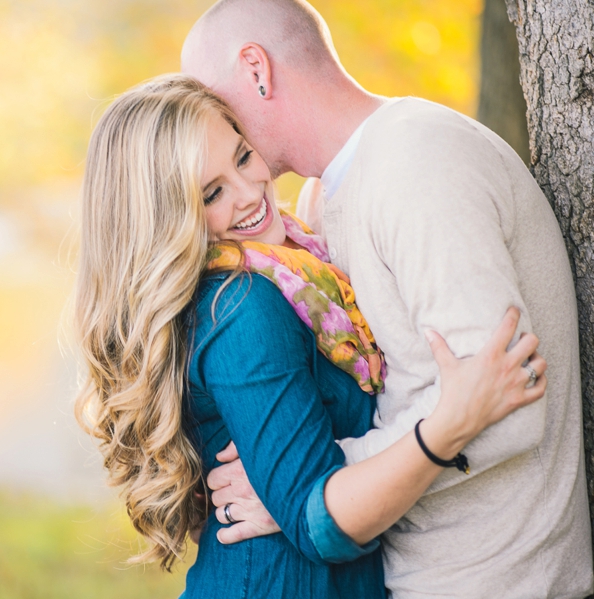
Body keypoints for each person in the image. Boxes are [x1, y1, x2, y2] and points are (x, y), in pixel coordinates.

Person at [73, 74, 547, 598]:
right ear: (168, 220)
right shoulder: (243, 306)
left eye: (244, 157)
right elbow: (317, 527)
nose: (251, 192)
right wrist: (449, 426)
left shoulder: (298, 274)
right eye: (213, 193)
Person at [181, 1, 594, 597]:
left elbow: (507, 402)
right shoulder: (319, 203)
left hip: (497, 580)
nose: (207, 122)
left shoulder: (419, 165)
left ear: (257, 69)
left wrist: (312, 487)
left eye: (212, 98)